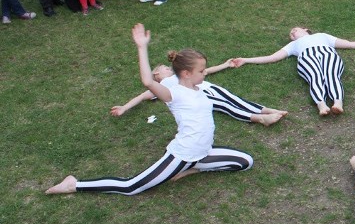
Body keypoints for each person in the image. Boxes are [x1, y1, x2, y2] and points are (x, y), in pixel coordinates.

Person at [46, 24, 254, 196]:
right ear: (186, 73)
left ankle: (194, 169)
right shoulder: (174, 94)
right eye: (201, 71)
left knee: (245, 162)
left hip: (203, 152)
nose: (205, 73)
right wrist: (142, 47)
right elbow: (147, 81)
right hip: (182, 155)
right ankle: (75, 184)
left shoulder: (198, 88)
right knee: (132, 187)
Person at [232, 27, 355, 115]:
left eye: (294, 30)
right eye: (291, 34)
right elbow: (272, 57)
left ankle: (337, 103)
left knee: (331, 75)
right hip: (307, 58)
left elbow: (349, 44)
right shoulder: (293, 45)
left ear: (306, 29)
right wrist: (246, 59)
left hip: (328, 55)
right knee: (315, 78)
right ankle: (322, 106)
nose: (292, 33)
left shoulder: (323, 36)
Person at [112, 58, 286, 126]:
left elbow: (206, 71)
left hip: (208, 87)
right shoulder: (162, 86)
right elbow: (142, 96)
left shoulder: (182, 74)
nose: (169, 69)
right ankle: (260, 118)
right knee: (226, 106)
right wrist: (124, 108)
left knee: (236, 100)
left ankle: (268, 110)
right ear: (157, 74)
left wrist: (225, 65)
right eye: (165, 68)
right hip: (197, 97)